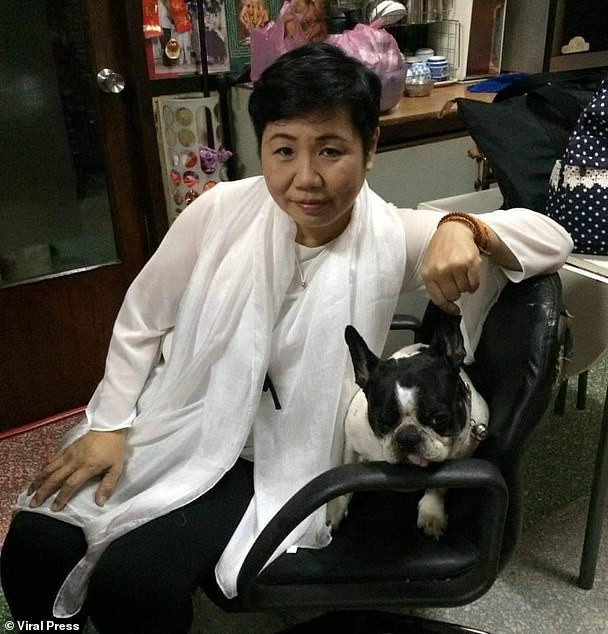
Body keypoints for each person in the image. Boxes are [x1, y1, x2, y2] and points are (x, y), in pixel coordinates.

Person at [0, 43, 573, 633]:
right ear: (262, 150)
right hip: (183, 419)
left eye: (331, 150)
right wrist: (109, 424)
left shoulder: (391, 235)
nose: (306, 178)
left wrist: (464, 226)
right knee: (35, 545)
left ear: (370, 148)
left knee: (136, 580)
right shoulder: (218, 213)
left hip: (278, 456)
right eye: (283, 150)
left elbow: (552, 239)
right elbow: (143, 318)